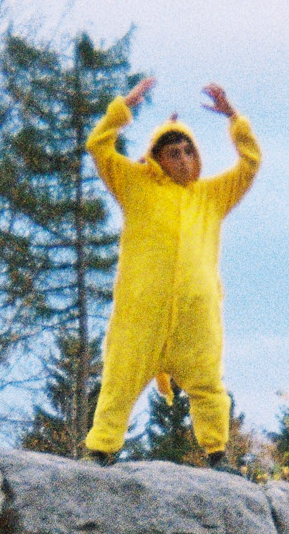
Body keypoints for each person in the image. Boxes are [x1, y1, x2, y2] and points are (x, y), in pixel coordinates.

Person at [81, 76, 260, 467]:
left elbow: (250, 163)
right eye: (173, 152)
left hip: (196, 318)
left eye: (187, 150)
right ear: (157, 158)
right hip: (140, 313)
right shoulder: (135, 185)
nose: (182, 158)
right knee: (120, 379)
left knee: (209, 385)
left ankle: (217, 454)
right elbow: (98, 145)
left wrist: (233, 117)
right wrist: (124, 106)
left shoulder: (212, 196)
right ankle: (100, 450)